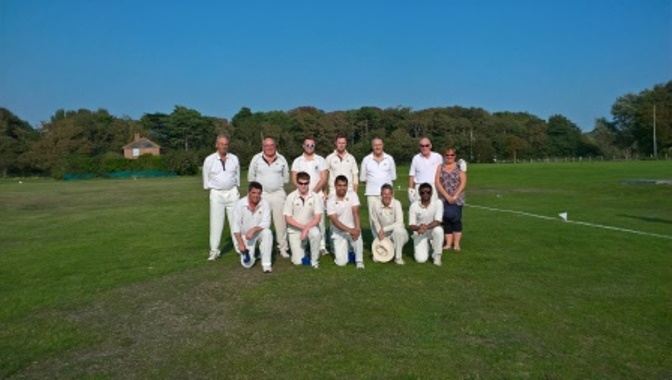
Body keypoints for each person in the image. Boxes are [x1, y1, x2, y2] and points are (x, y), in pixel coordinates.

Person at [248, 137, 290, 258]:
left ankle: (282, 248)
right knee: (262, 223)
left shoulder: (282, 159)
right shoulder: (256, 159)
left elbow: (285, 177)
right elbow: (251, 178)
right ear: (262, 147)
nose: (269, 147)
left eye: (271, 145)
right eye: (266, 145)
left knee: (280, 223)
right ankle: (263, 249)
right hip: (262, 195)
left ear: (275, 146)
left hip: (278, 194)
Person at [202, 135, 240, 261]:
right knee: (216, 222)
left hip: (232, 192)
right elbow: (206, 177)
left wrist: (235, 189)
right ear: (216, 144)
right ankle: (214, 250)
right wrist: (212, 188)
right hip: (217, 193)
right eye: (221, 144)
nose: (224, 146)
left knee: (236, 221)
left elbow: (237, 176)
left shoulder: (234, 158)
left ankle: (239, 247)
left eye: (226, 144)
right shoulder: (209, 160)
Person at [291, 137, 329, 255]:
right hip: (302, 195)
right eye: (307, 145)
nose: (310, 147)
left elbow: (323, 178)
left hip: (317, 195)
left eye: (312, 145)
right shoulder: (297, 161)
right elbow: (294, 178)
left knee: (320, 221)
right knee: (303, 219)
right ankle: (305, 244)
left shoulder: (321, 160)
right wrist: (303, 191)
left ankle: (322, 245)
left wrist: (313, 191)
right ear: (303, 146)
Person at [231, 181, 273, 273]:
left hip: (257, 233)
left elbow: (267, 223)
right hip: (245, 236)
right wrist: (241, 243)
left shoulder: (265, 203)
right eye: (253, 193)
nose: (256, 196)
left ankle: (266, 264)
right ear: (249, 192)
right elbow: (235, 225)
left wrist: (254, 229)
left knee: (267, 232)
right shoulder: (240, 204)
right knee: (247, 264)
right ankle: (253, 254)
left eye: (259, 193)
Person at [284, 171, 323, 268]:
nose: (303, 186)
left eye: (306, 183)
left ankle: (314, 260)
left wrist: (306, 229)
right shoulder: (290, 197)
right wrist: (302, 228)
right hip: (295, 230)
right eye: (301, 183)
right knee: (298, 261)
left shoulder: (315, 196)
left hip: (310, 228)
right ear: (297, 183)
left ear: (309, 183)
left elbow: (317, 218)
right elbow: (287, 218)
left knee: (316, 233)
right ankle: (306, 249)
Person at [359, 137, 396, 235]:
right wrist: (374, 184)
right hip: (372, 194)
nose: (377, 147)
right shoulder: (366, 160)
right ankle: (377, 241)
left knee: (389, 217)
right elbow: (363, 178)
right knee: (374, 219)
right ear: (372, 146)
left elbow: (392, 177)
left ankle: (389, 241)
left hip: (387, 194)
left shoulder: (389, 159)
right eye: (375, 145)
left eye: (379, 145)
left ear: (383, 145)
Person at [327, 175, 364, 269]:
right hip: (338, 232)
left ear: (347, 186)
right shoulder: (330, 200)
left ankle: (359, 261)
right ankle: (348, 250)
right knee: (341, 263)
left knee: (358, 235)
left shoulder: (353, 195)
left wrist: (357, 228)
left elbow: (356, 213)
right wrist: (350, 230)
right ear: (335, 186)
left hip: (352, 228)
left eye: (344, 185)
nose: (342, 188)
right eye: (339, 185)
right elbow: (335, 221)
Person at [435, 147, 467, 251]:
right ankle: (448, 243)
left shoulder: (459, 167)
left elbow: (463, 182)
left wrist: (455, 195)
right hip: (444, 198)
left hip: (457, 198)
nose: (449, 157)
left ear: (455, 156)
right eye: (447, 155)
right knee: (446, 220)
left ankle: (456, 244)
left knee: (456, 220)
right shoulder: (440, 167)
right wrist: (446, 196)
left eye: (452, 155)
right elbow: (437, 182)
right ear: (444, 156)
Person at [371, 184, 409, 265]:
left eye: (389, 194)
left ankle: (398, 257)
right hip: (383, 235)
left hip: (398, 235)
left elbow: (400, 223)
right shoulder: (375, 204)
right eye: (384, 194)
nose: (386, 196)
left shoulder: (397, 203)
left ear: (392, 194)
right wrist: (379, 232)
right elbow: (375, 221)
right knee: (376, 259)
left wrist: (384, 229)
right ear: (381, 194)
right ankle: (389, 250)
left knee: (399, 231)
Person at [408, 183, 444, 266]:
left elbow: (438, 221)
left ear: (431, 192)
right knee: (420, 260)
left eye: (428, 192)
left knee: (439, 230)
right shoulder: (414, 206)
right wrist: (419, 228)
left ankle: (437, 256)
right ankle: (428, 246)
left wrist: (426, 227)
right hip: (419, 232)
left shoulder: (438, 203)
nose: (425, 194)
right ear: (419, 193)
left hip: (432, 230)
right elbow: (411, 225)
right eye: (422, 192)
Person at [408, 137, 442, 203]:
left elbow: (447, 167)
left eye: (427, 145)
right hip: (419, 188)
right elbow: (412, 175)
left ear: (430, 146)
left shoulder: (438, 157)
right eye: (422, 146)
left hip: (433, 188)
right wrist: (411, 191)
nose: (424, 148)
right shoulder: (416, 158)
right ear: (420, 147)